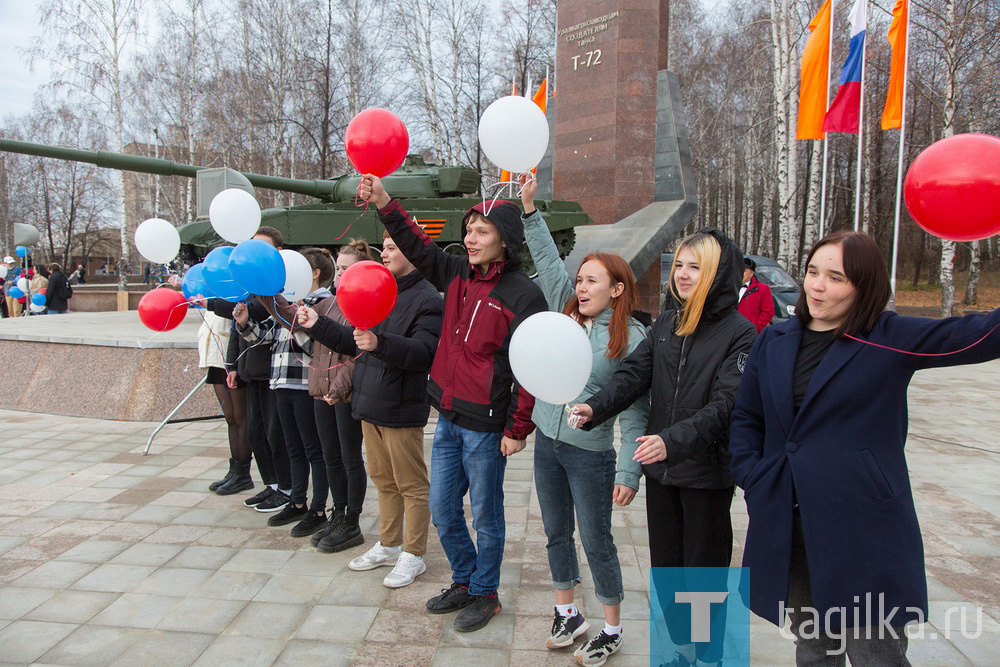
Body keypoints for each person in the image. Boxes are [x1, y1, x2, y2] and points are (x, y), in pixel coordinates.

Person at [730, 230, 1000, 665]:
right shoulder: (774, 340)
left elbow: (977, 336)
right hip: (789, 519)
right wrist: (754, 476)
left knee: (875, 652)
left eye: (835, 277)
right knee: (814, 648)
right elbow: (747, 417)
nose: (817, 286)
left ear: (864, 285)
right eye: (813, 272)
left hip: (862, 526)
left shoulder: (888, 337)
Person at [360, 173, 547, 632]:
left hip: (486, 427)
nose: (471, 238)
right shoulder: (457, 272)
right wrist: (384, 200)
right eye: (469, 230)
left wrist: (517, 429)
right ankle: (464, 580)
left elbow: (529, 369)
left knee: (486, 515)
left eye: (482, 231)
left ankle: (486, 592)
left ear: (505, 240)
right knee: (443, 510)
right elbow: (418, 245)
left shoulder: (525, 295)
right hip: (447, 416)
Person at [570, 229, 756, 667]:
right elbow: (633, 376)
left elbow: (726, 405)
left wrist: (670, 442)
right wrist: (594, 407)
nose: (684, 274)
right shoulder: (668, 324)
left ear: (717, 271)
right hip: (663, 473)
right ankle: (682, 651)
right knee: (669, 571)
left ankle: (707, 656)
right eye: (680, 266)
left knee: (702, 577)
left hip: (705, 473)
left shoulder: (741, 333)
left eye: (695, 266)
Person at [520, 174, 649, 665]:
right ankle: (568, 612)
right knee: (555, 531)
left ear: (617, 289)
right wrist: (530, 210)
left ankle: (612, 627)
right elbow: (549, 263)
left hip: (591, 456)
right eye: (580, 280)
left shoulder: (633, 340)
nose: (580, 286)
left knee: (596, 540)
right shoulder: (563, 313)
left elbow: (638, 410)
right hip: (548, 444)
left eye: (592, 280)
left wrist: (628, 471)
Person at [298, 229, 443, 587]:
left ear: (413, 251)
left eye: (393, 248)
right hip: (369, 403)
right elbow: (355, 340)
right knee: (384, 481)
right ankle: (390, 544)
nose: (385, 254)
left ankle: (414, 554)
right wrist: (318, 325)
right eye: (385, 248)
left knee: (411, 485)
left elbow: (424, 353)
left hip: (400, 407)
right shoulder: (382, 288)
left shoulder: (428, 298)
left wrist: (380, 343)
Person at [264, 242, 371, 554]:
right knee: (330, 457)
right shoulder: (327, 306)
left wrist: (338, 388)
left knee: (350, 459)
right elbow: (291, 318)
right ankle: (338, 515)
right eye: (339, 270)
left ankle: (352, 521)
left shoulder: (365, 306)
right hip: (320, 392)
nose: (341, 276)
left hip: (344, 394)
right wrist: (266, 291)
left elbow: (357, 353)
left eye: (349, 270)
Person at [235, 246, 332, 538]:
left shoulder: (321, 304)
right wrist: (244, 324)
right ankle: (298, 500)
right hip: (281, 383)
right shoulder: (288, 304)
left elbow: (307, 343)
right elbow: (263, 337)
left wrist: (290, 314)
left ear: (313, 274)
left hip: (305, 385)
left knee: (313, 449)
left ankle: (318, 508)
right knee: (293, 447)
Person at [197, 304, 251, 495]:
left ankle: (243, 473)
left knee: (240, 417)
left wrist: (210, 302)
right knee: (230, 417)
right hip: (216, 359)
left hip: (234, 358)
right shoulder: (212, 286)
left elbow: (235, 307)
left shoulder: (234, 286)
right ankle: (235, 468)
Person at [737, 257, 775, 334]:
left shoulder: (762, 289)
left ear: (752, 273)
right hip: (731, 331)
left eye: (744, 271)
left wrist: (756, 327)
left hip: (749, 333)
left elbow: (768, 312)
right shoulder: (731, 286)